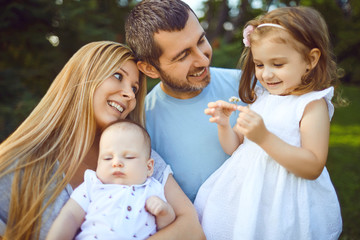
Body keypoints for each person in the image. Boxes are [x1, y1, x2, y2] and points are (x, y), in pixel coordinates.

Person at [0, 41, 204, 240]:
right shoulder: (18, 167)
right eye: (117, 76)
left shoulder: (138, 153)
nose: (129, 95)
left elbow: (193, 230)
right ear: (84, 77)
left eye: (134, 89)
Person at [194, 6, 343, 239]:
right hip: (246, 196)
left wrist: (264, 138)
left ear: (311, 60)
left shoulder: (312, 105)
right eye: (260, 64)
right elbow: (235, 148)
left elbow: (313, 166)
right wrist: (224, 124)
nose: (266, 75)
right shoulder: (262, 99)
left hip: (284, 200)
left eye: (278, 64)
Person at [125, 0, 243, 202]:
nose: (204, 60)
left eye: (201, 41)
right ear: (150, 69)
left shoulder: (251, 85)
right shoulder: (141, 128)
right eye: (183, 56)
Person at [46, 120, 175, 239]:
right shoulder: (92, 185)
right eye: (107, 158)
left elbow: (166, 226)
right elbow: (71, 216)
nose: (116, 162)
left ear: (149, 167)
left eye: (129, 157)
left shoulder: (153, 188)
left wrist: (164, 212)